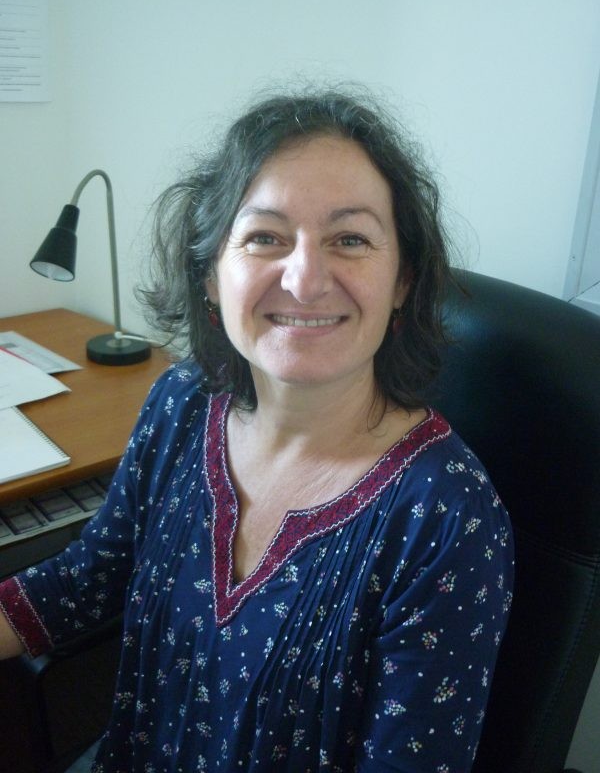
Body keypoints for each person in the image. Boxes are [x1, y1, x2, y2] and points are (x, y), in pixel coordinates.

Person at [0, 88, 513, 772]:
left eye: (350, 239)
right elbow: (87, 581)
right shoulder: (183, 402)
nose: (305, 280)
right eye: (265, 237)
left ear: (402, 281)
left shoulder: (446, 518)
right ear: (212, 275)